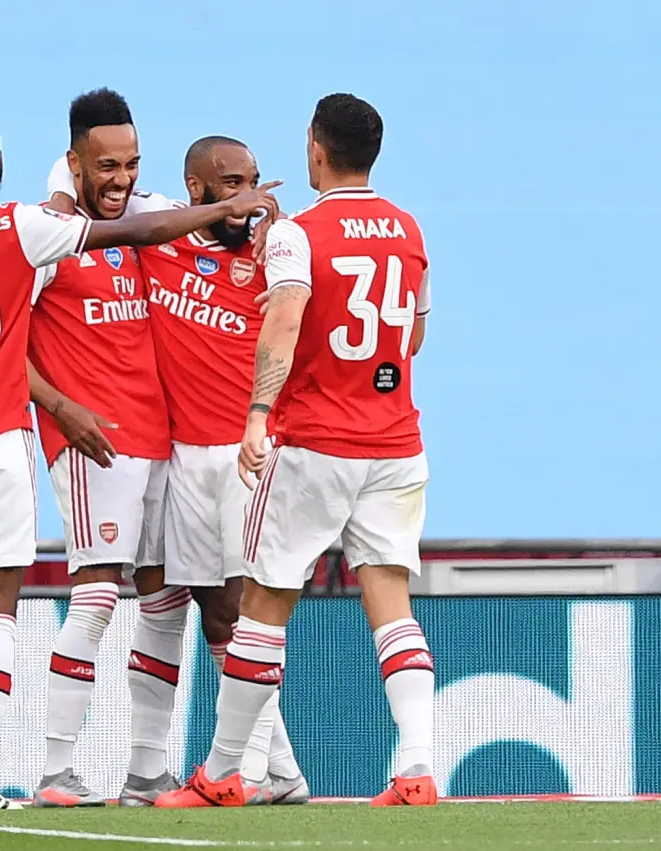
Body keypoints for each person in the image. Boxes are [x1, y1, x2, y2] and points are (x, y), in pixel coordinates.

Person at [0, 112, 281, 811]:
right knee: (87, 594)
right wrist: (64, 408)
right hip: (84, 439)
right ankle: (53, 768)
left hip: (151, 439)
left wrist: (244, 212)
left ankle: (144, 770)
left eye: (131, 163)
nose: (122, 178)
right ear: (61, 164)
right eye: (106, 166)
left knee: (160, 601)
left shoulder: (134, 215)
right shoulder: (36, 230)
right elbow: (12, 334)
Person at [155, 93, 436, 809]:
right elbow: (412, 337)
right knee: (391, 603)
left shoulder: (297, 234)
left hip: (314, 442)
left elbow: (282, 323)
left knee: (262, 604)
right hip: (396, 441)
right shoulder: (408, 228)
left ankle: (224, 772)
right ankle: (416, 766)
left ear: (315, 146)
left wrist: (256, 413)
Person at [45, 135, 308, 805]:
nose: (248, 198)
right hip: (183, 455)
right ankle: (169, 770)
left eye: (253, 182)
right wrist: (60, 194)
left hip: (250, 453)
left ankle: (262, 767)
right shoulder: (159, 232)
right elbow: (82, 175)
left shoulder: (275, 248)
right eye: (231, 184)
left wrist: (274, 223)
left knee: (241, 608)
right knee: (187, 608)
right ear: (195, 188)